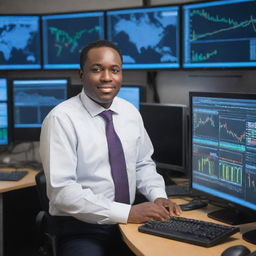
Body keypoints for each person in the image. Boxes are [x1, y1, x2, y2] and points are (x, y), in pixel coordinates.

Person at [39, 39, 182, 256]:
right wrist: (128, 213)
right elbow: (62, 193)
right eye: (97, 69)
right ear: (81, 74)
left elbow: (143, 163)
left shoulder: (129, 112)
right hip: (81, 227)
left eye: (114, 70)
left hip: (128, 223)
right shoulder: (61, 119)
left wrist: (157, 196)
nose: (107, 77)